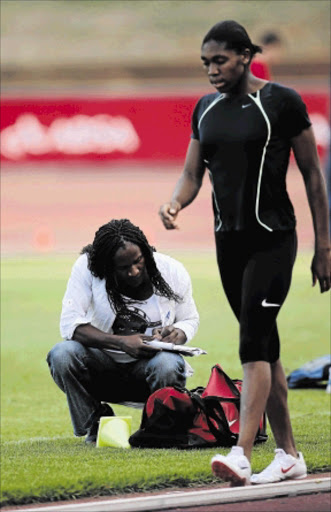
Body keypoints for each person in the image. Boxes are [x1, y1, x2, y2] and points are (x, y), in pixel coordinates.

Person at [159, 20, 330, 486]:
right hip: (228, 244)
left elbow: (314, 176)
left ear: (245, 56)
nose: (212, 70)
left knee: (252, 341)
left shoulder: (281, 102)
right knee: (265, 347)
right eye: (205, 63)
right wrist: (176, 201)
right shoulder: (206, 109)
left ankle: (241, 453)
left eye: (220, 60)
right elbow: (193, 173)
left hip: (274, 239)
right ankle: (290, 454)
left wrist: (324, 245)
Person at [47, 219, 199, 444]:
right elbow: (70, 325)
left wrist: (179, 331)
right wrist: (121, 342)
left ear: (146, 252)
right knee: (62, 354)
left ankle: (158, 428)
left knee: (167, 363)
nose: (134, 271)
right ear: (106, 267)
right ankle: (96, 423)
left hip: (153, 372)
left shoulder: (171, 270)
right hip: (104, 370)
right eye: (124, 267)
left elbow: (189, 318)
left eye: (139, 261)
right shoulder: (88, 268)